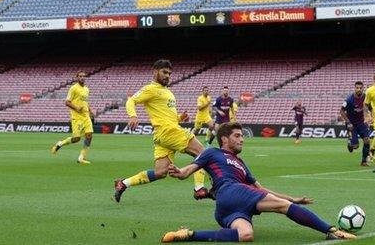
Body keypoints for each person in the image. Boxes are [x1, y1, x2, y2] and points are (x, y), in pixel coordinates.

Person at [161, 122, 356, 242]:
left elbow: (260, 189)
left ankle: (189, 235)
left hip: (227, 209)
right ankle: (331, 230)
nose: (242, 140)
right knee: (282, 207)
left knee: (246, 235)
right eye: (237, 136)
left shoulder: (241, 164)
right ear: (224, 139)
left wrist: (292, 199)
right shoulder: (212, 152)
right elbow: (188, 171)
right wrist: (178, 172)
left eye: (242, 136)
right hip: (230, 191)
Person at [114, 59, 209, 202]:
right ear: (155, 72)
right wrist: (133, 116)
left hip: (162, 135)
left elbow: (164, 115)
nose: (167, 76)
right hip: (169, 132)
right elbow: (131, 100)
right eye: (164, 72)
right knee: (205, 154)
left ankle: (124, 183)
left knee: (160, 172)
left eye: (169, 73)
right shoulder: (150, 89)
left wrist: (179, 117)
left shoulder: (167, 92)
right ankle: (199, 188)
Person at [51, 71, 94, 164]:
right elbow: (67, 102)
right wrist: (77, 108)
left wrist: (90, 111)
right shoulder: (73, 88)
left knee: (89, 135)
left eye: (84, 76)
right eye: (80, 76)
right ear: (77, 77)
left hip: (86, 116)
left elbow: (85, 102)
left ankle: (81, 158)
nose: (82, 77)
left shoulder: (86, 89)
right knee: (76, 139)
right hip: (77, 117)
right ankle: (60, 144)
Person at [340, 81, 370, 166]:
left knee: (367, 140)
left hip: (361, 123)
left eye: (360, 88)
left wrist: (370, 117)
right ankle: (350, 142)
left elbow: (370, 107)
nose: (359, 89)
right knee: (355, 146)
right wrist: (348, 122)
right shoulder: (349, 99)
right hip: (351, 124)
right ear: (355, 88)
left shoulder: (365, 97)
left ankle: (364, 161)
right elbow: (341, 111)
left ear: (363, 88)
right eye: (357, 88)